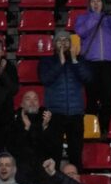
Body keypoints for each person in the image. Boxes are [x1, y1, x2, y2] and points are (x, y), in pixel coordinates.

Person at [74, 0, 111, 134]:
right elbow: (80, 31)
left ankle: (104, 129)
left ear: (103, 3)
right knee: (91, 98)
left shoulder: (109, 20)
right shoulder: (83, 18)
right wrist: (96, 16)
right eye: (92, 1)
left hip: (108, 64)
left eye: (98, 0)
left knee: (106, 99)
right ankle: (90, 129)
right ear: (89, 4)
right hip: (90, 63)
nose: (95, 3)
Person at [38, 30, 91, 169]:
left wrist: (74, 61)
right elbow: (45, 79)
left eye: (66, 40)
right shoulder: (47, 61)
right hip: (55, 113)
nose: (63, 43)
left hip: (76, 113)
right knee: (54, 154)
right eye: (59, 40)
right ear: (54, 44)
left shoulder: (79, 61)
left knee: (76, 154)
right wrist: (60, 64)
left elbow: (87, 78)